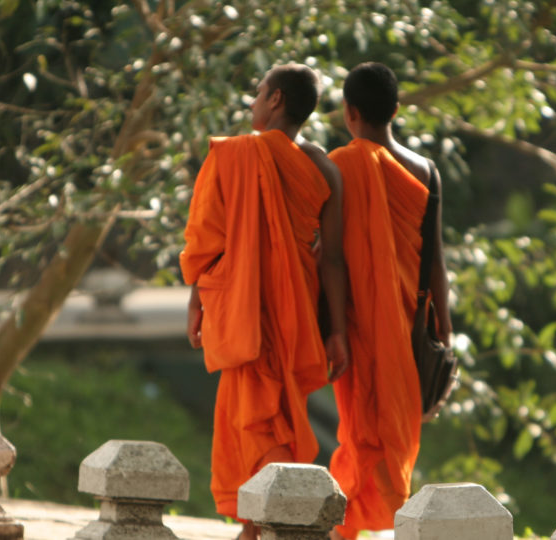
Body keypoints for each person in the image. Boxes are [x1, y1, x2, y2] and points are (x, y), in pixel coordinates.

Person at [179, 63, 349, 540]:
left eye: (258, 93)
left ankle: (264, 526)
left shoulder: (234, 155)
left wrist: (196, 301)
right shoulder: (324, 167)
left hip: (248, 305)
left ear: (275, 100)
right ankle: (260, 525)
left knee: (260, 414)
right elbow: (332, 259)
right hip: (294, 308)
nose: (253, 102)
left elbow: (208, 241)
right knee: (277, 412)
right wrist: (336, 331)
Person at [326, 62, 452, 540]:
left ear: (349, 112)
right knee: (392, 428)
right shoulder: (426, 171)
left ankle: (346, 528)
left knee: (358, 425)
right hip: (408, 323)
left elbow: (330, 254)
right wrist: (445, 328)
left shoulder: (339, 166)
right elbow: (435, 259)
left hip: (356, 319)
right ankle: (353, 526)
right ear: (396, 110)